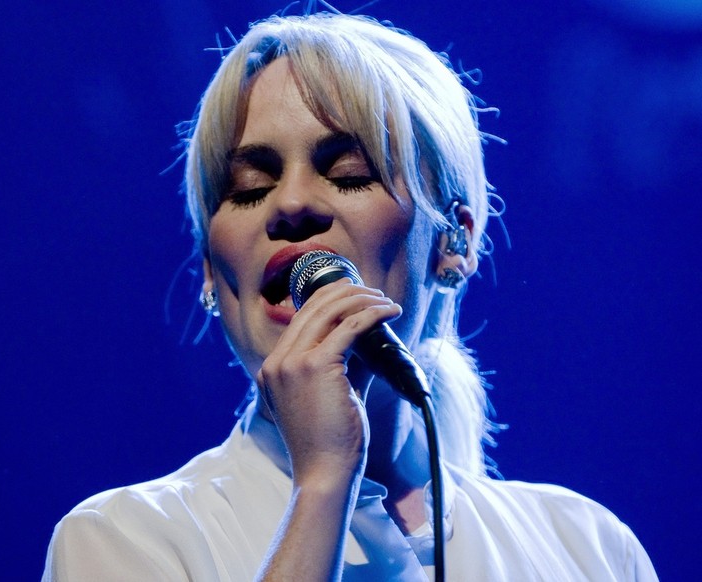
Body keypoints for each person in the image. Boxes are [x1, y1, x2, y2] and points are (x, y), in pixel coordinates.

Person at [42, 12, 657, 581]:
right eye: (250, 187)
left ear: (455, 242)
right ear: (210, 272)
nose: (290, 205)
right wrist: (323, 483)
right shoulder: (123, 541)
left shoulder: (587, 549)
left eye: (348, 175)